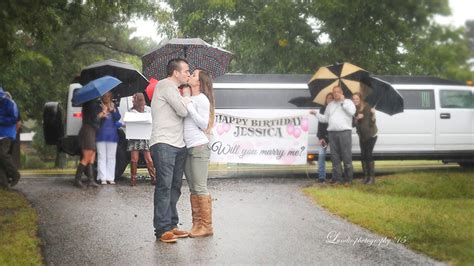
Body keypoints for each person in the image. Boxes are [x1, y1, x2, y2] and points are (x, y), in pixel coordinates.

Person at [150, 58, 190, 243]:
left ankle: (173, 225)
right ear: (176, 72)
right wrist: (187, 97)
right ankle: (162, 229)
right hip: (164, 143)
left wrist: (184, 97)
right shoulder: (165, 85)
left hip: (178, 144)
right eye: (186, 71)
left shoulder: (175, 90)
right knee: (164, 186)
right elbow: (182, 111)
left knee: (175, 187)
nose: (188, 74)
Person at [184, 69, 215, 238]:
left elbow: (204, 124)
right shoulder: (190, 96)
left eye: (194, 75)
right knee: (193, 187)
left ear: (200, 83)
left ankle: (207, 226)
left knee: (200, 187)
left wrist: (189, 105)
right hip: (188, 147)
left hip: (199, 146)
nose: (191, 76)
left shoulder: (202, 99)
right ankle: (197, 225)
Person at [315, 86, 356, 185]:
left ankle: (348, 179)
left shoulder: (348, 102)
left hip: (344, 132)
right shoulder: (330, 105)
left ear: (342, 93)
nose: (336, 94)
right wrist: (316, 114)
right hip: (332, 133)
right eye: (334, 92)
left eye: (338, 92)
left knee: (346, 156)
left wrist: (343, 102)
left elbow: (352, 112)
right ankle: (338, 179)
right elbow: (325, 119)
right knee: (335, 157)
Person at [127, 92, 156, 186]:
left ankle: (153, 177)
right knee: (134, 158)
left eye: (134, 99)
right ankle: (133, 179)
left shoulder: (148, 110)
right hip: (135, 136)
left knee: (148, 157)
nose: (132, 101)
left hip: (144, 136)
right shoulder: (131, 111)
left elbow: (152, 120)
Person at [74, 98, 101, 188]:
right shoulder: (91, 103)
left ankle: (91, 180)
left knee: (92, 156)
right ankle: (77, 180)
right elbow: (95, 118)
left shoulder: (92, 102)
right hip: (88, 131)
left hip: (91, 131)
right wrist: (103, 112)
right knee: (87, 156)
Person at [96, 91, 121, 185]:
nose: (106, 98)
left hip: (112, 135)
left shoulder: (113, 106)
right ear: (102, 97)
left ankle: (110, 178)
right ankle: (102, 178)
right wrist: (103, 112)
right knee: (102, 156)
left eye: (108, 96)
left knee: (111, 157)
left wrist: (113, 110)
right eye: (104, 96)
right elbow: (95, 119)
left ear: (111, 97)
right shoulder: (99, 107)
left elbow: (118, 117)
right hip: (101, 134)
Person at [352, 92, 378, 184]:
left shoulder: (367, 107)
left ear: (361, 99)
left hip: (371, 135)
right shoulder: (355, 109)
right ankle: (365, 177)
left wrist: (373, 114)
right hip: (362, 136)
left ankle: (371, 178)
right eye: (353, 99)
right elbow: (353, 124)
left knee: (368, 155)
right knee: (363, 156)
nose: (355, 100)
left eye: (357, 99)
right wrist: (356, 119)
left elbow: (372, 122)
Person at [310, 92, 334, 183]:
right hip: (324, 138)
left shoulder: (336, 109)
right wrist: (320, 138)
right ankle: (321, 177)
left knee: (335, 157)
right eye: (328, 98)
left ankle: (335, 176)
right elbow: (320, 124)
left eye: (331, 98)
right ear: (326, 100)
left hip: (333, 136)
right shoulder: (322, 109)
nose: (330, 100)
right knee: (321, 155)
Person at [0, 87, 20, 189]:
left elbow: (14, 119)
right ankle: (3, 183)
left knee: (2, 154)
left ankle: (14, 174)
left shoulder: (9, 103)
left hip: (6, 135)